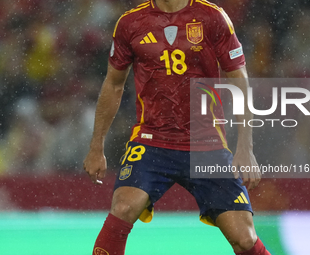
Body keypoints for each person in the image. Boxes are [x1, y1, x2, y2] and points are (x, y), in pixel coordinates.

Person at [83, 0, 271, 254]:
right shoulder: (130, 23)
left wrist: (245, 148)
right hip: (151, 140)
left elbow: (238, 78)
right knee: (123, 208)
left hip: (207, 144)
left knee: (244, 238)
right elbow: (113, 84)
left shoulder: (212, 17)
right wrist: (97, 146)